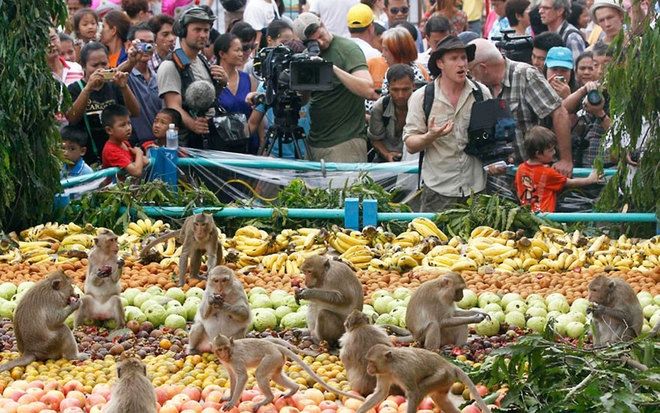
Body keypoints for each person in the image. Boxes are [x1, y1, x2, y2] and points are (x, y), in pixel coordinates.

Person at [403, 36, 494, 212]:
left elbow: (492, 139)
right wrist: (430, 136)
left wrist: (497, 160)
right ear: (440, 64)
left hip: (476, 189)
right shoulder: (422, 97)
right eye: (454, 59)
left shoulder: (481, 93)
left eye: (464, 58)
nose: (461, 64)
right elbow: (410, 144)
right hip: (438, 191)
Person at [468, 39, 573, 178]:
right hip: (503, 177)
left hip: (536, 175)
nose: (471, 76)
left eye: (472, 70)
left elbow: (559, 113)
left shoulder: (525, 75)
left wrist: (566, 160)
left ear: (483, 68)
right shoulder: (480, 88)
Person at [292, 13, 377, 162]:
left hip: (345, 140)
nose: (321, 42)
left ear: (323, 24)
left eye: (321, 35)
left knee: (344, 186)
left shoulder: (347, 49)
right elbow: (304, 101)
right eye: (314, 41)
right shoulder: (308, 56)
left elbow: (368, 90)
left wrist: (331, 69)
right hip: (315, 141)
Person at [157, 6, 228, 148]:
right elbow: (173, 106)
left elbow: (209, 99)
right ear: (183, 32)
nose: (203, 35)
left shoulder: (202, 60)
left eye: (206, 30)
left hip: (209, 139)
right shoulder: (171, 65)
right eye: (197, 30)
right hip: (187, 144)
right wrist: (194, 125)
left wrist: (222, 83)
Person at [66, 42, 141, 164]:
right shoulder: (74, 88)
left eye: (104, 64)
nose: (100, 69)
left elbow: (135, 112)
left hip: (116, 155)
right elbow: (72, 118)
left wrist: (124, 87)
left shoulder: (114, 85)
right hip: (89, 157)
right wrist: (88, 89)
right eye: (94, 65)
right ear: (83, 66)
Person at [515, 126, 599, 212]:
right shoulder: (548, 172)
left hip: (528, 214)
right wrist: (590, 179)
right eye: (550, 150)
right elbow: (570, 183)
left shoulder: (520, 169)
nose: (554, 152)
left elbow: (519, 192)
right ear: (538, 154)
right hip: (545, 215)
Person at [122, 23, 163, 144]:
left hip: (157, 145)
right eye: (141, 42)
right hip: (134, 146)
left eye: (150, 43)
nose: (146, 46)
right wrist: (131, 61)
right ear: (129, 45)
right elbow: (114, 78)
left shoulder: (158, 77)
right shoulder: (126, 74)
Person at [214, 33, 256, 152]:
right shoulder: (211, 78)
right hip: (220, 147)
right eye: (236, 50)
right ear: (222, 54)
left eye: (241, 50)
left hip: (247, 144)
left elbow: (256, 112)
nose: (241, 54)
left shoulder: (248, 79)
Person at [368, 64, 414, 162]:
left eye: (405, 89)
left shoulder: (422, 106)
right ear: (388, 88)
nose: (400, 95)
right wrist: (387, 154)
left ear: (413, 86)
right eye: (395, 90)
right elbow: (375, 139)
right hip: (385, 161)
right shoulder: (380, 107)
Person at [368, 27, 429, 94]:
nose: (383, 54)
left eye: (386, 49)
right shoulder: (392, 70)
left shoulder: (412, 75)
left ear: (397, 51)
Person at [101, 104, 149, 177]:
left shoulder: (125, 143)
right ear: (109, 130)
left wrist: (138, 157)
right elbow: (136, 172)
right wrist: (139, 153)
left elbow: (145, 161)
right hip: (115, 188)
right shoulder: (111, 150)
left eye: (129, 123)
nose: (128, 128)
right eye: (123, 125)